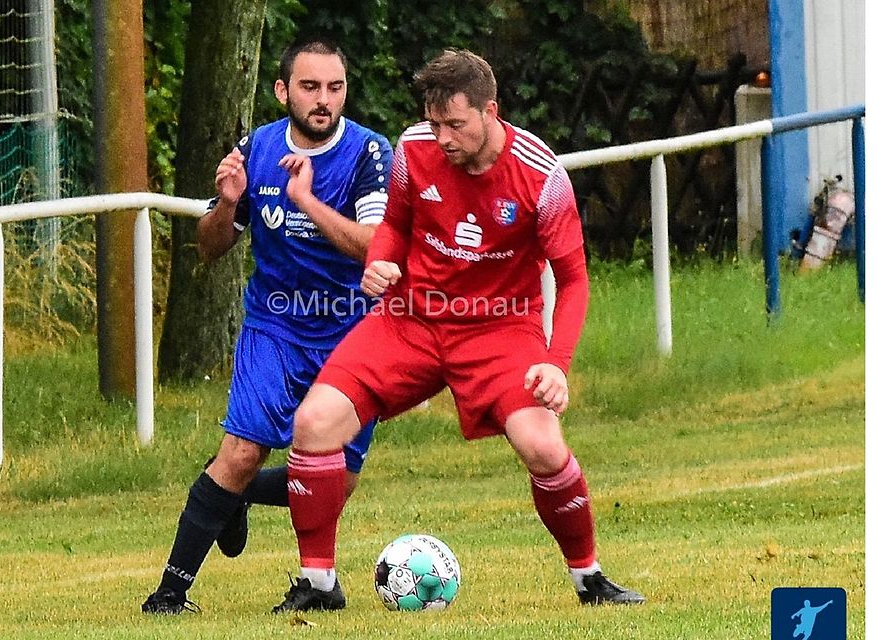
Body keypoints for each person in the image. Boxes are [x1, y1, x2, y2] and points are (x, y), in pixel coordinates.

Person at [272, 49, 645, 613]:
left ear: (490, 111)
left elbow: (573, 280)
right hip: (412, 319)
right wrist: (384, 262)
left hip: (501, 330)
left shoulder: (542, 178)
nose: (442, 137)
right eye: (434, 122)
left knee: (543, 446)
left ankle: (589, 578)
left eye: (456, 124)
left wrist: (556, 363)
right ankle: (318, 585)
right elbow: (395, 224)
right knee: (314, 422)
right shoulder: (413, 148)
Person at [141, 38, 393, 614]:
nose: (323, 99)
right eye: (309, 87)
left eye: (334, 87)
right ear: (283, 91)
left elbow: (373, 249)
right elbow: (208, 248)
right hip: (274, 326)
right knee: (242, 450)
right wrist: (228, 205)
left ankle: (231, 497)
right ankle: (169, 595)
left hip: (351, 333)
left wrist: (305, 201)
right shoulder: (255, 149)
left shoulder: (369, 155)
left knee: (338, 485)